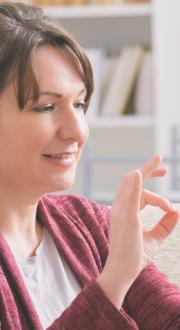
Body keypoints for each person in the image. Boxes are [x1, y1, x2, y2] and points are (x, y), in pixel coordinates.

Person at [0, 2, 180, 329]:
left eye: (80, 104)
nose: (78, 131)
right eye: (46, 107)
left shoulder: (90, 223)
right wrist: (115, 279)